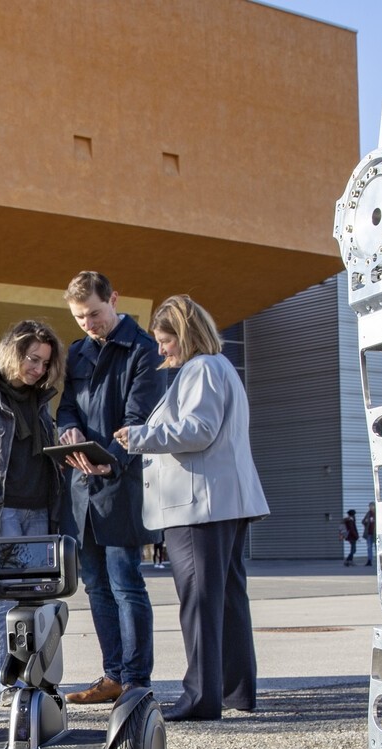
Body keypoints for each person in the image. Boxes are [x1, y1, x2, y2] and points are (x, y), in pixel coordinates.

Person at [114, 294, 268, 722]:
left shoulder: (201, 369)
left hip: (199, 506)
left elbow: (198, 431)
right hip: (221, 502)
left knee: (199, 601)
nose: (161, 349)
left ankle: (201, 696)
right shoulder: (220, 369)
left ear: (184, 335)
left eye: (165, 340)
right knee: (228, 600)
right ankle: (236, 690)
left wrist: (141, 436)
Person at [56, 271, 165, 705]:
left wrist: (112, 461)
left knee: (126, 584)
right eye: (80, 317)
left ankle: (136, 680)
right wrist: (66, 431)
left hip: (122, 487)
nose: (88, 324)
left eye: (95, 314)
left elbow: (139, 418)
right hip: (82, 490)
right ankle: (113, 675)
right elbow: (65, 408)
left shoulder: (143, 350)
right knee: (96, 587)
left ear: (114, 299)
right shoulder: (77, 353)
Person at [0, 319, 65, 694]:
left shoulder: (42, 401)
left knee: (39, 599)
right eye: (32, 359)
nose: (37, 369)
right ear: (13, 353)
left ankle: (38, 679)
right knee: (4, 602)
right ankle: (6, 682)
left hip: (40, 513)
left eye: (44, 363)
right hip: (2, 513)